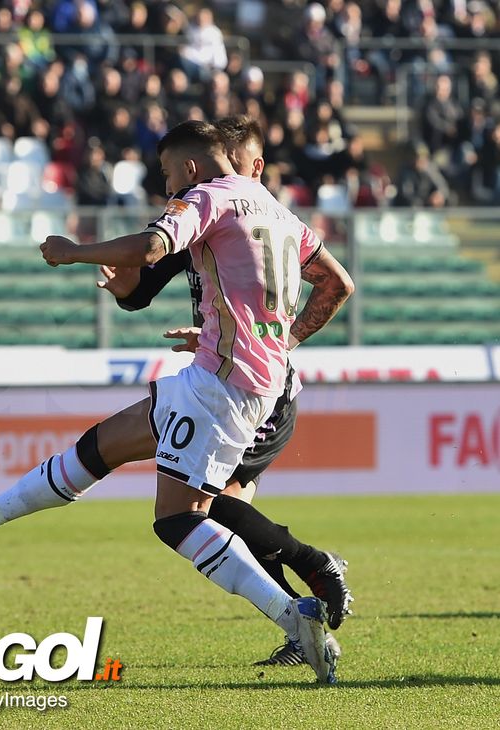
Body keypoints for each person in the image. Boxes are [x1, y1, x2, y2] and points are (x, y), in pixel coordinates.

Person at [0, 121, 354, 684]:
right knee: (102, 447)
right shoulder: (277, 211)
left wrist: (73, 253)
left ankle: (293, 616)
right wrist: (270, 339)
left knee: (180, 520)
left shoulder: (206, 196)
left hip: (221, 387)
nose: (168, 188)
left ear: (189, 168)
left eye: (167, 174)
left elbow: (150, 247)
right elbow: (336, 284)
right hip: (238, 378)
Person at [98, 115, 354, 667]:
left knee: (204, 510)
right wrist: (124, 290)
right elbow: (143, 283)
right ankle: (301, 619)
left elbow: (335, 284)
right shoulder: (202, 212)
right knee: (219, 513)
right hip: (221, 377)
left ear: (252, 167)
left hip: (256, 383)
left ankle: (315, 568)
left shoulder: (260, 217)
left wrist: (281, 341)